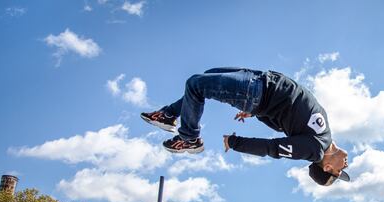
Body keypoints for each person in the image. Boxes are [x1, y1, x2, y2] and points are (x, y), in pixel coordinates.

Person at [141, 67, 350, 186]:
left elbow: (273, 148)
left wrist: (235, 142)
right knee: (207, 75)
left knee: (195, 85)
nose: (346, 165)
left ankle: (189, 138)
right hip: (262, 83)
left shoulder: (314, 150)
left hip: (257, 92)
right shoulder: (324, 138)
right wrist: (256, 114)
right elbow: (284, 123)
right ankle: (168, 115)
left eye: (340, 171)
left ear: (328, 167)